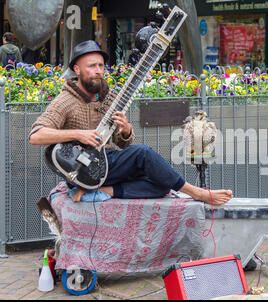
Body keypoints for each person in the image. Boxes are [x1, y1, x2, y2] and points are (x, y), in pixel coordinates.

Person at [29, 40, 233, 206]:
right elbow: (36, 135)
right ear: (77, 70)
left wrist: (125, 130)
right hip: (82, 169)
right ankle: (197, 192)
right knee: (143, 153)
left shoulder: (110, 98)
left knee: (162, 184)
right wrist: (78, 134)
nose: (98, 71)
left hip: (107, 163)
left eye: (101, 65)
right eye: (92, 66)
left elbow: (123, 143)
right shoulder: (66, 101)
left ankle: (103, 191)